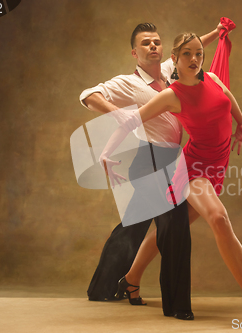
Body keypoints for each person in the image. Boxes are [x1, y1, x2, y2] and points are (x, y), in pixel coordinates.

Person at [100, 32, 242, 328]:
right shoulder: (171, 95)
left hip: (218, 164)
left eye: (199, 54)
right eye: (187, 54)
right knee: (218, 217)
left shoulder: (212, 79)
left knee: (174, 227)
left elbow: (228, 98)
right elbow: (131, 121)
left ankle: (130, 279)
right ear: (174, 59)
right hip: (194, 167)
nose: (194, 59)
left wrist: (240, 125)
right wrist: (106, 153)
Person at [79, 22, 223, 320]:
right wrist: (116, 113)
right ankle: (177, 307)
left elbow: (194, 48)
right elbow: (88, 94)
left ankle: (105, 287)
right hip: (150, 159)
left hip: (172, 159)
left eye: (156, 41)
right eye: (145, 43)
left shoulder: (173, 70)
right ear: (135, 52)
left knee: (133, 225)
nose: (153, 46)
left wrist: (218, 31)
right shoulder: (126, 83)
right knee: (175, 227)